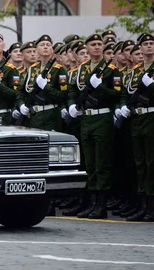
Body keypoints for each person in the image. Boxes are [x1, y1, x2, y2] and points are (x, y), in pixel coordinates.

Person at [67, 33, 122, 219]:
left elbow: (117, 95)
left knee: (102, 163)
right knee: (90, 164)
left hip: (102, 118)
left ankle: (101, 205)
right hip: (86, 120)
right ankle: (92, 203)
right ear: (87, 48)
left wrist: (100, 87)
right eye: (93, 44)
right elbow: (72, 90)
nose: (97, 47)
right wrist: (72, 105)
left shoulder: (111, 70)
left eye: (100, 44)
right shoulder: (80, 70)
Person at [117, 33, 154, 221]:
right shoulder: (135, 71)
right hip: (136, 120)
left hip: (152, 117)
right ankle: (142, 204)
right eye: (145, 44)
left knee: (151, 163)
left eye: (151, 43)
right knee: (139, 163)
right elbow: (125, 92)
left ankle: (151, 206)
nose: (148, 46)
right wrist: (123, 105)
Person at [17, 34, 68, 131]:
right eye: (42, 45)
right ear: (36, 50)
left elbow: (63, 95)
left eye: (48, 45)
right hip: (34, 117)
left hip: (51, 116)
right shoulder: (32, 69)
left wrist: (46, 87)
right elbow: (20, 91)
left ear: (52, 50)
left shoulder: (59, 69)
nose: (45, 47)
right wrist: (21, 104)